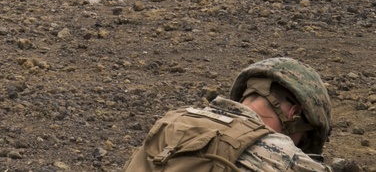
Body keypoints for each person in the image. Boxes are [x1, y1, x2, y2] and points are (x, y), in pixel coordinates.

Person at [124, 57, 332, 171]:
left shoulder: (173, 121)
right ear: (294, 113)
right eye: (301, 139)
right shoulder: (282, 154)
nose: (296, 145)